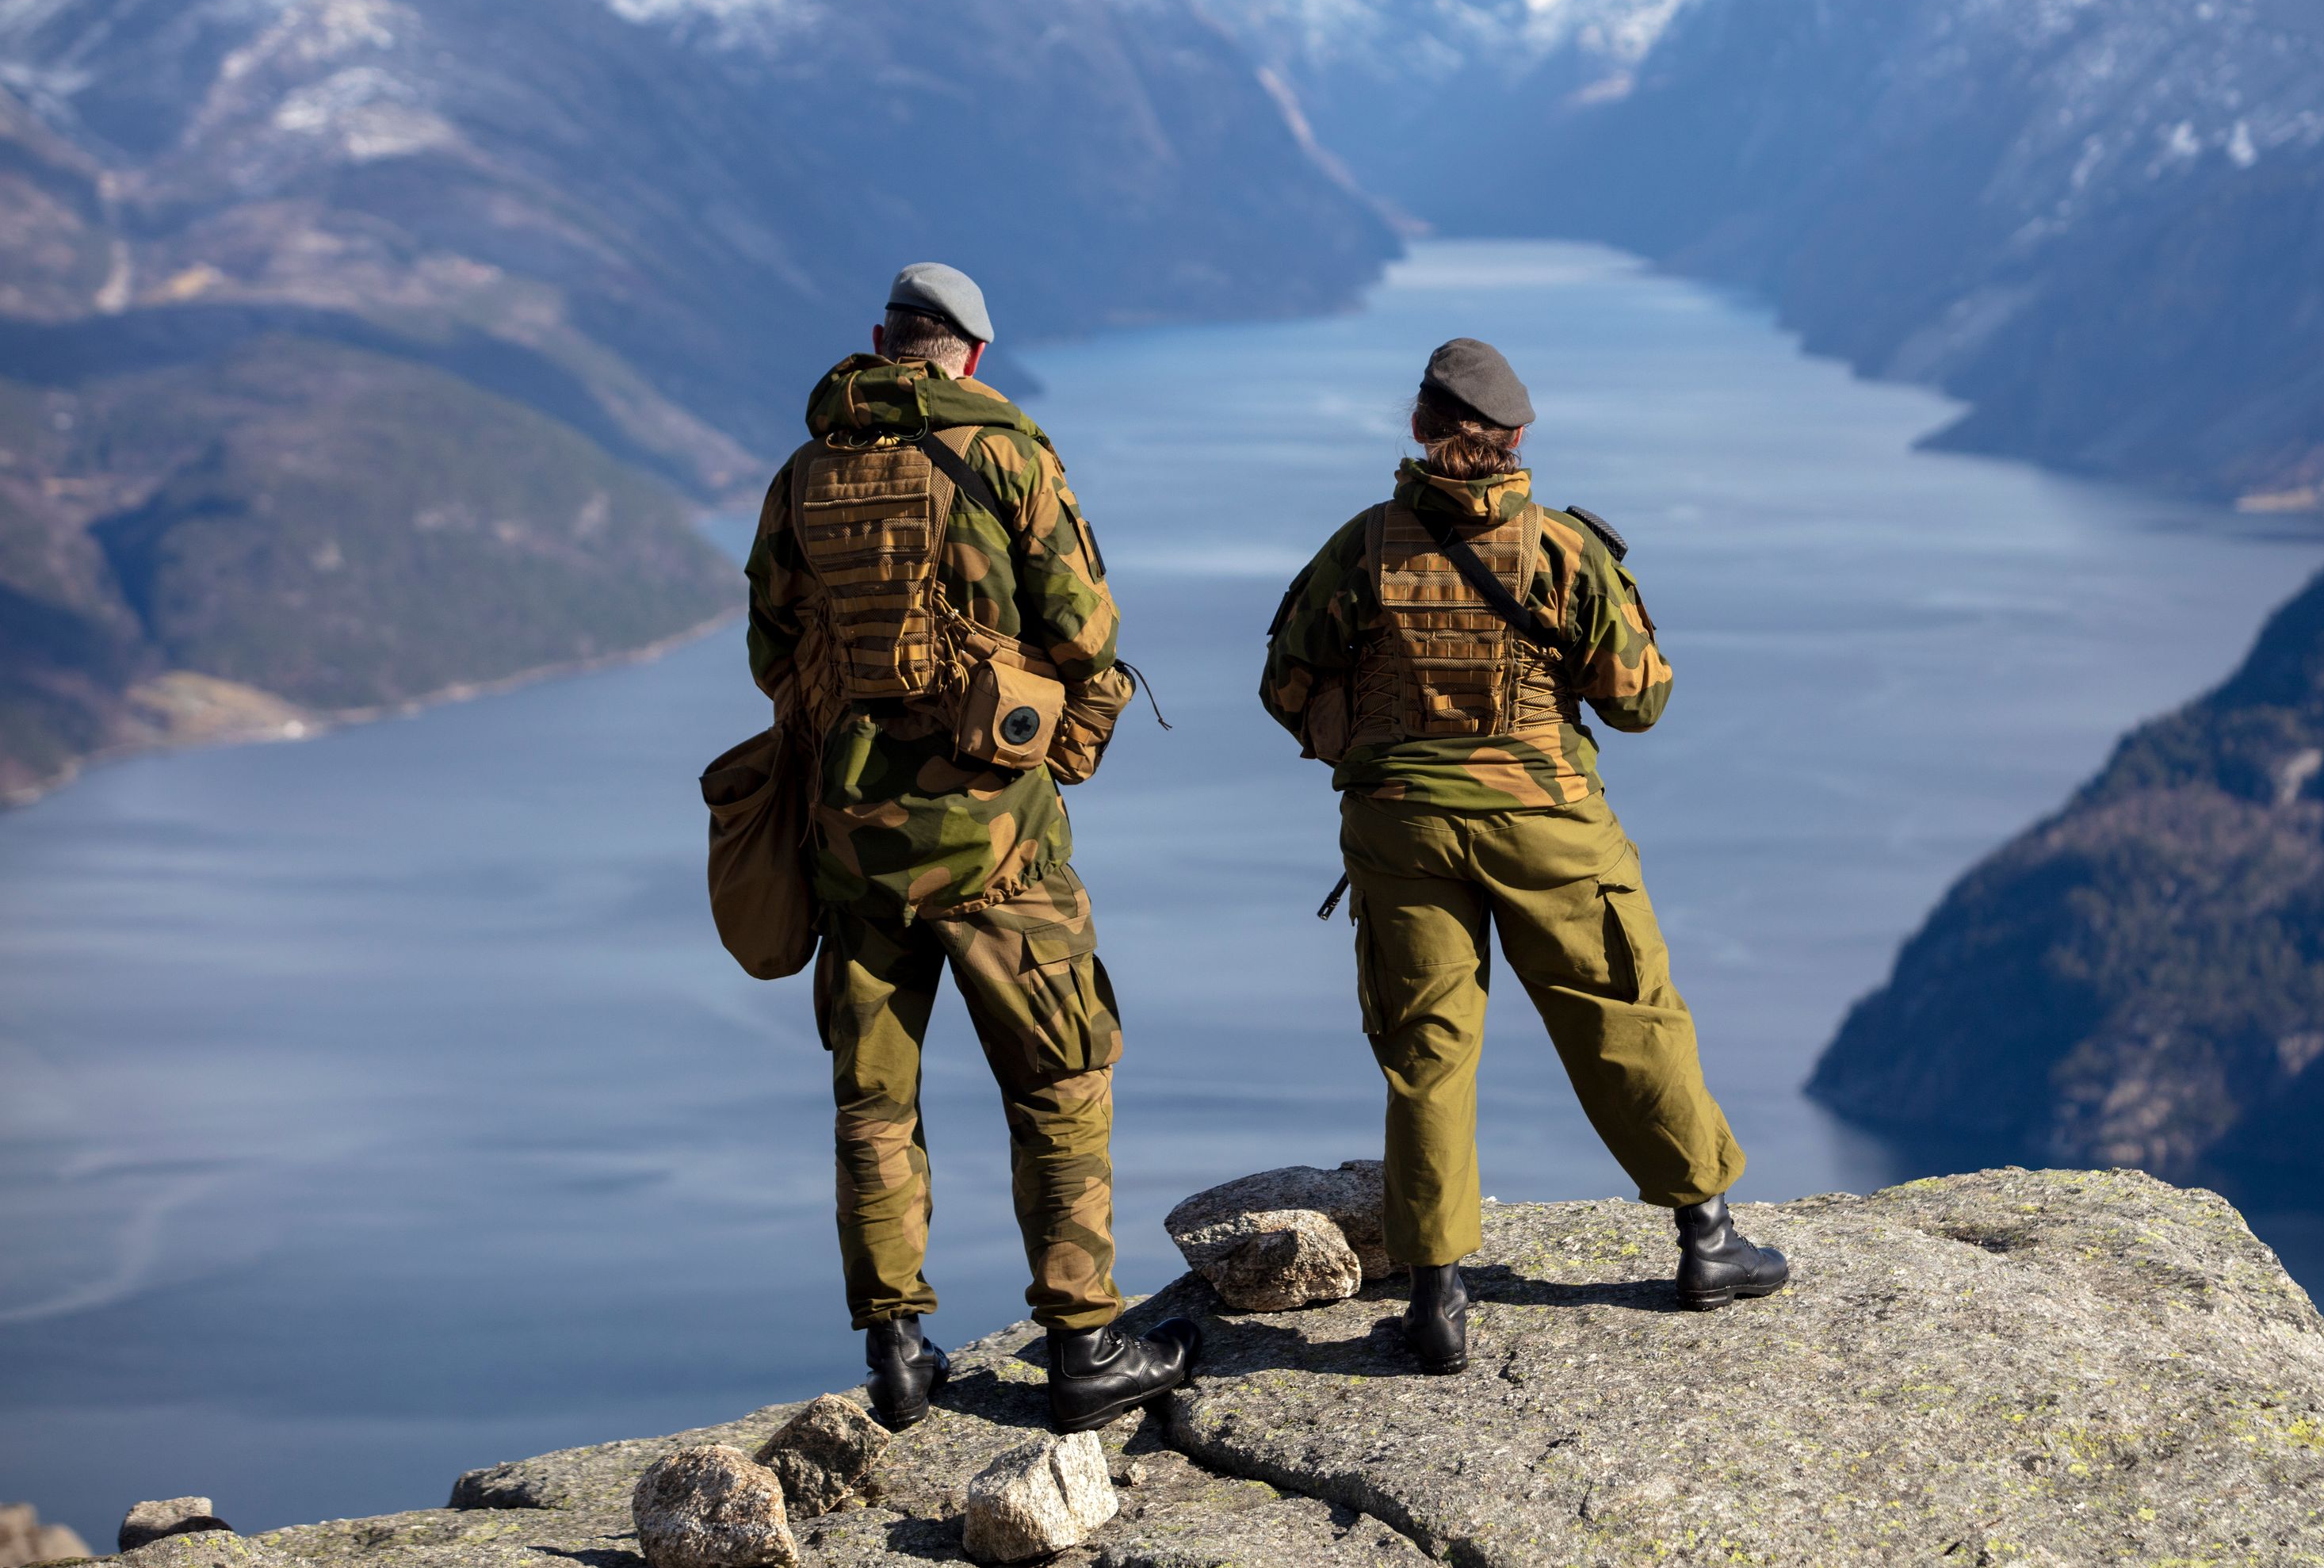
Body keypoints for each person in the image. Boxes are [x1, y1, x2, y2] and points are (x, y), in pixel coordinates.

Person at [1258, 337, 1788, 1374]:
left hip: (1403, 824)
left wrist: (1378, 749)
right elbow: (1640, 702)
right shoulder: (1563, 553)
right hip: (1548, 826)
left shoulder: (1361, 551)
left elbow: (1287, 684)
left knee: (1427, 1055)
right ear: (1515, 442)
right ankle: (1706, 1241)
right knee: (1623, 1017)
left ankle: (1436, 1302)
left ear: (1418, 429)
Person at [745, 262, 1195, 1432]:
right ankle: (1085, 1347)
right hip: (998, 838)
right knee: (1059, 1075)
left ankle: (896, 1352)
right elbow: (1088, 629)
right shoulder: (1007, 457)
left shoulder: (805, 472)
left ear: (881, 341)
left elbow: (771, 648)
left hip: (852, 835)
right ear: (971, 359)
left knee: (873, 1096)